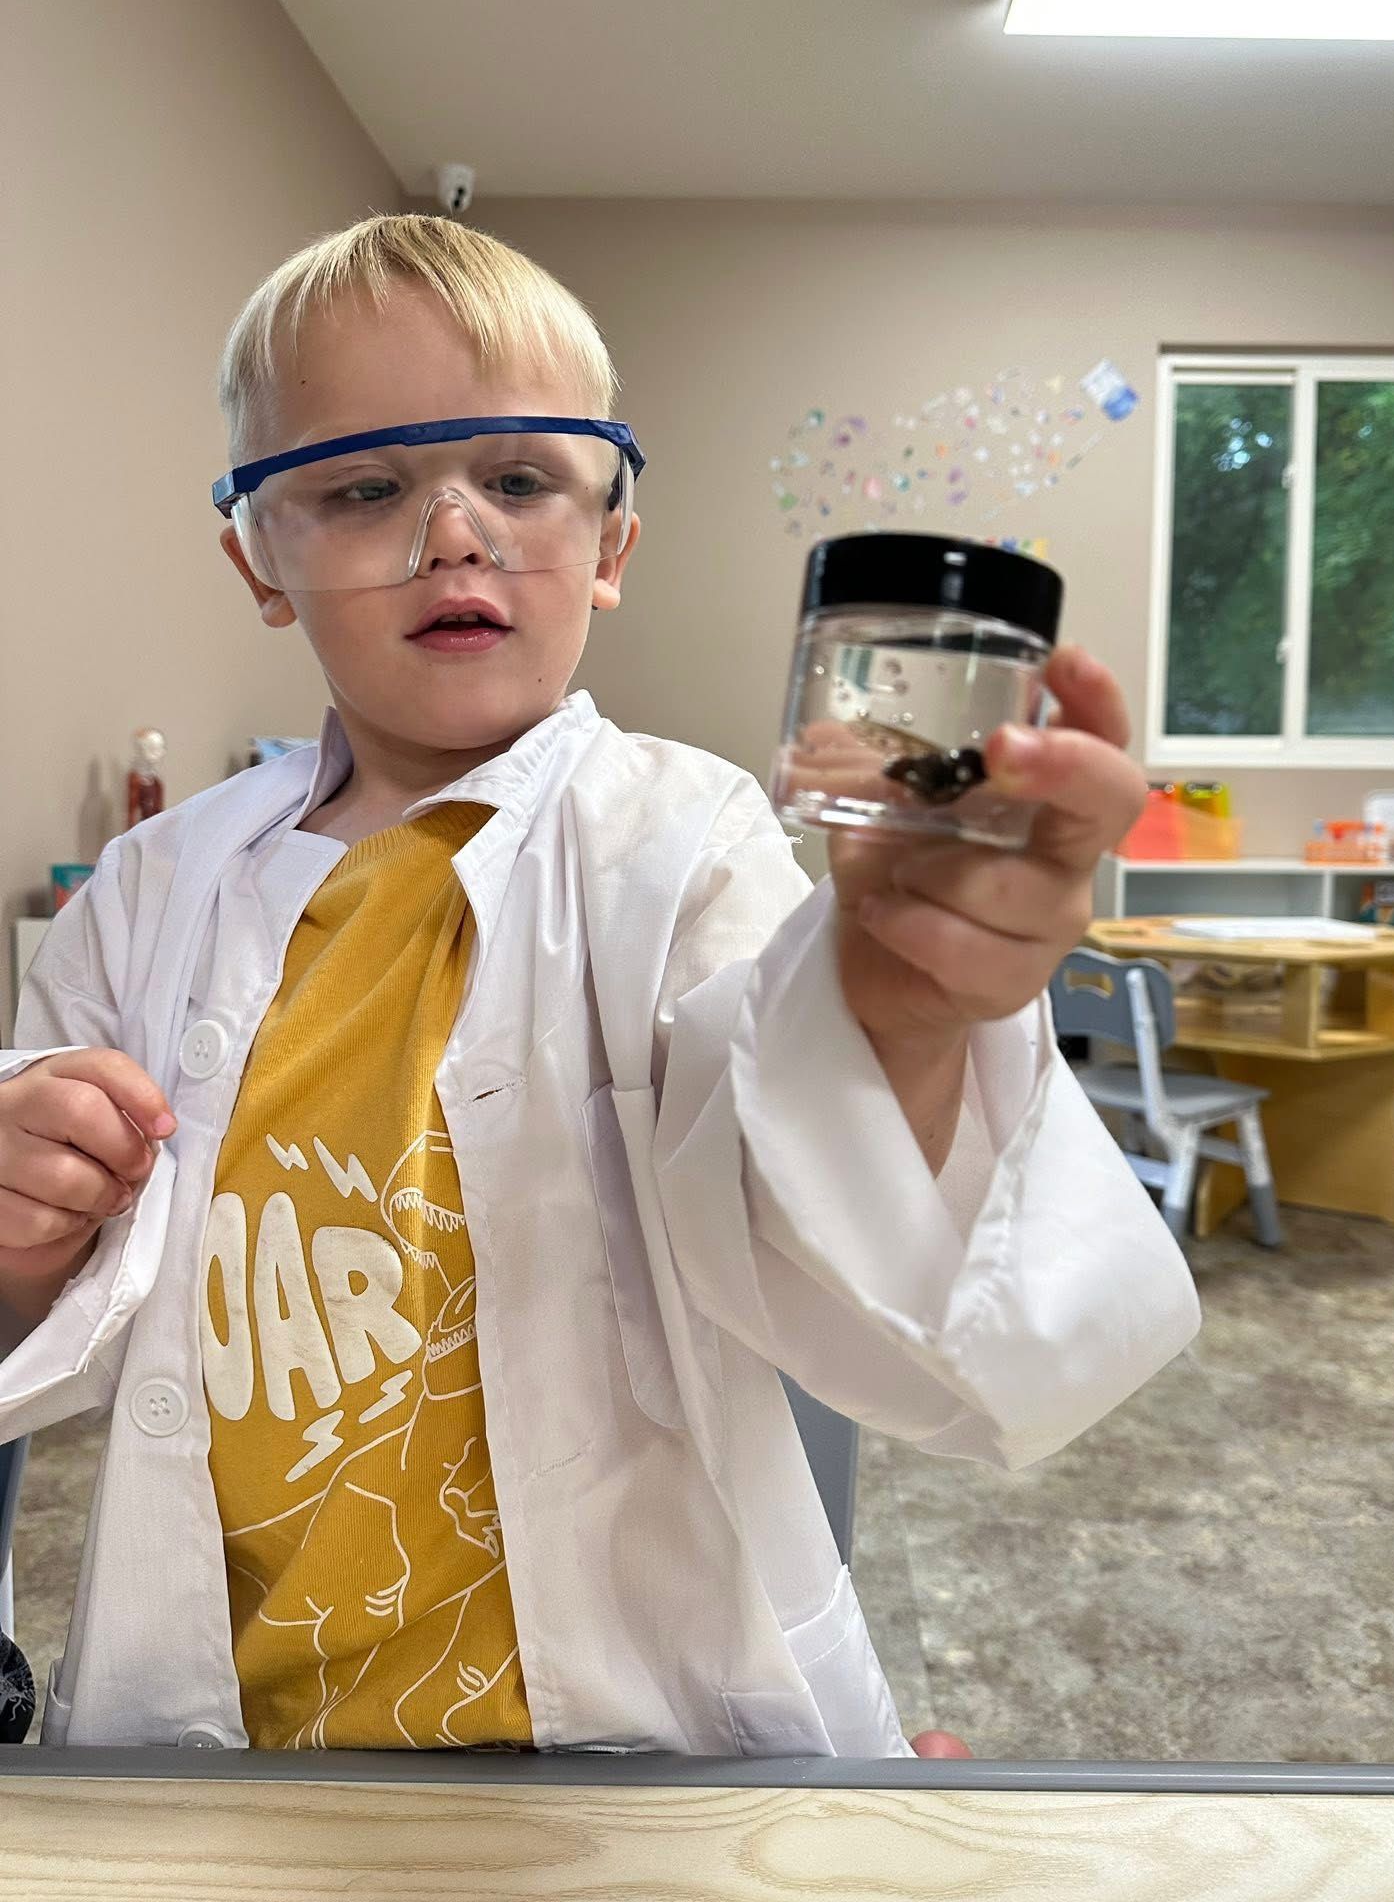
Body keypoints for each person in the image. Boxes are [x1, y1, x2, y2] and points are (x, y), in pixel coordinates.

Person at [0, 216, 1199, 1754]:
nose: (451, 533)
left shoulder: (682, 842)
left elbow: (786, 1176)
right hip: (234, 1732)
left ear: (611, 545)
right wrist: (29, 1215)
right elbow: (48, 1326)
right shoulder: (153, 893)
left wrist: (902, 1002)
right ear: (261, 557)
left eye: (518, 480)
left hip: (644, 1732)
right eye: (362, 487)